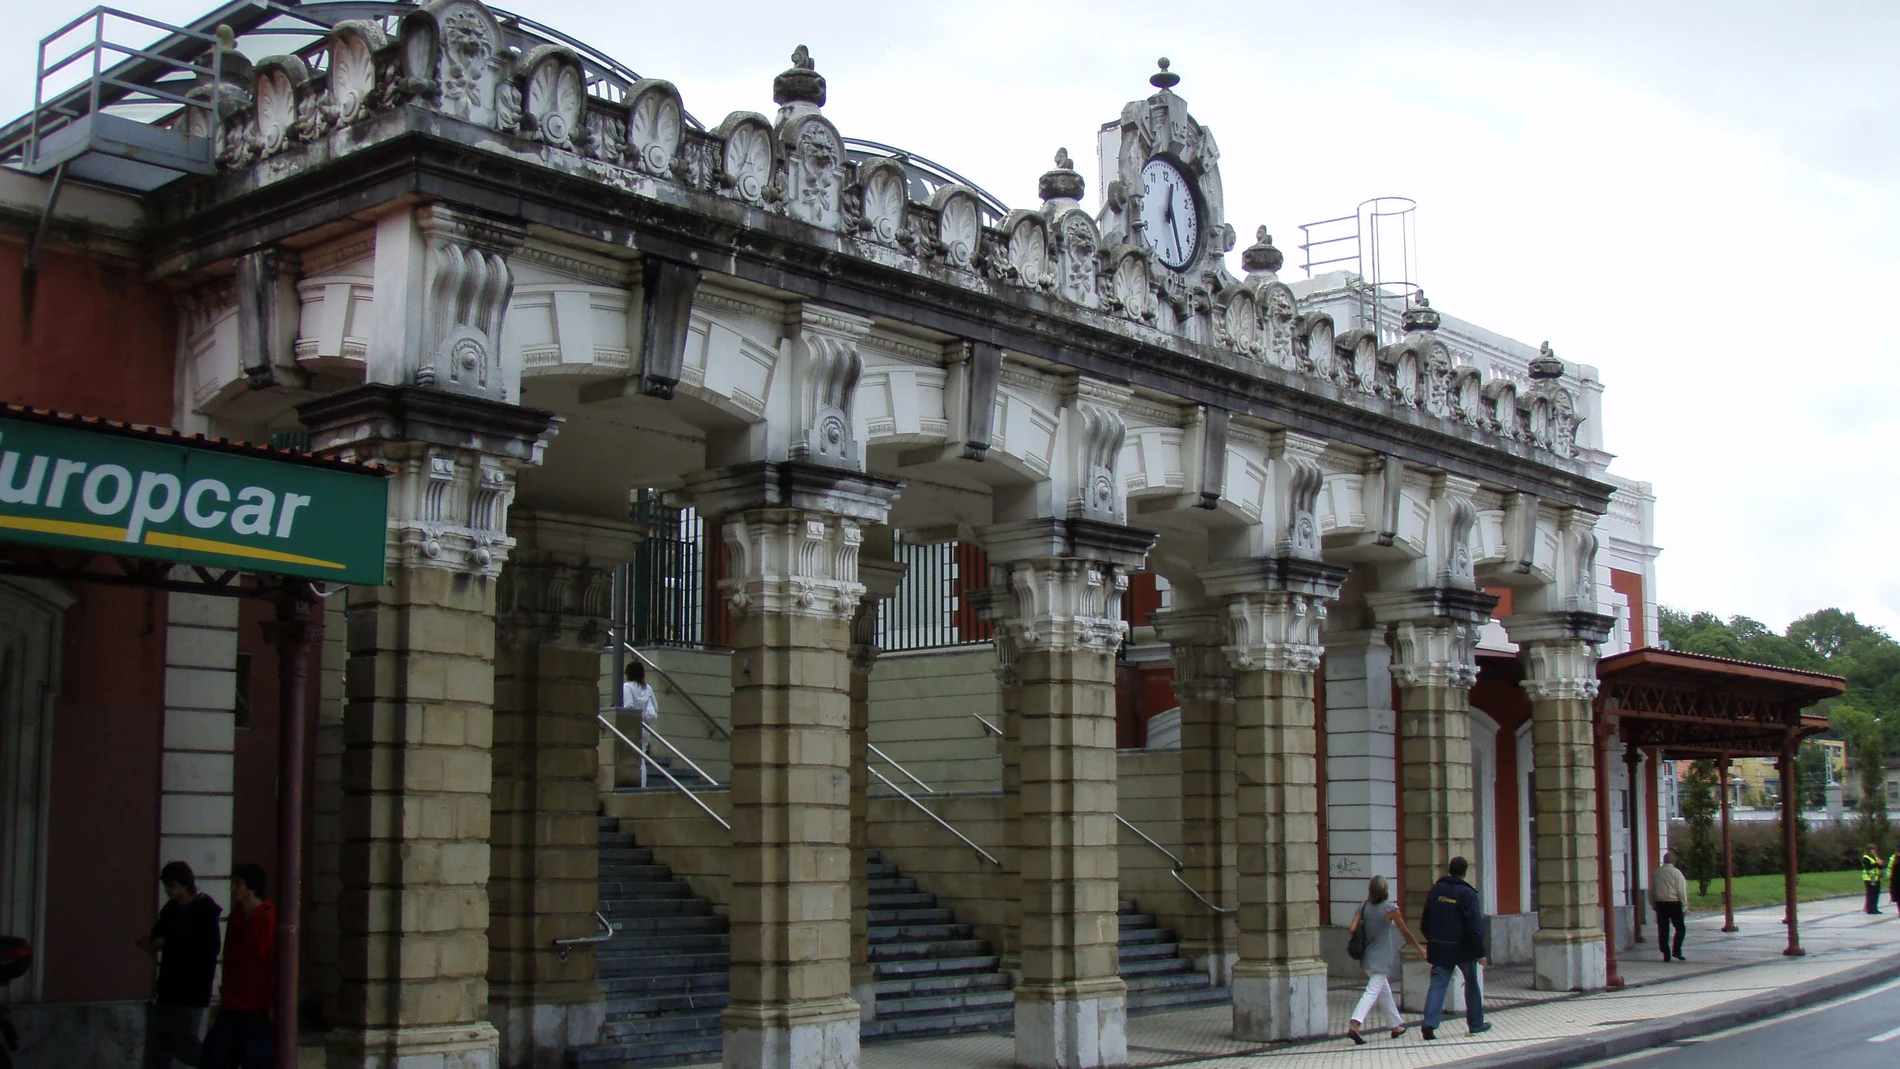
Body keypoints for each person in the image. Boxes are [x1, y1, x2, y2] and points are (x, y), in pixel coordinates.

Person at [137, 860, 221, 1069]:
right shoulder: (171, 910)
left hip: (193, 988)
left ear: (185, 884)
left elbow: (208, 948)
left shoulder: (205, 909)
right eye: (166, 886)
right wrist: (149, 943)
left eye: (172, 885)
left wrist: (169, 941)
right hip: (169, 986)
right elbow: (157, 936)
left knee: (183, 1043)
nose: (169, 890)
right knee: (157, 1045)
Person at [201, 863, 276, 1069]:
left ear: (252, 887)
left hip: (255, 1009)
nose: (233, 888)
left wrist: (271, 1003)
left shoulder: (268, 919)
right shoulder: (235, 918)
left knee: (255, 1060)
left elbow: (273, 963)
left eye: (238, 883)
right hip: (232, 1004)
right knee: (213, 1056)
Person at [1344, 874, 1425, 1045]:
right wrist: (1419, 949)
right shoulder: (1390, 909)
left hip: (1366, 957)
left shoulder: (1364, 906)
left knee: (1383, 991)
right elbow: (1405, 932)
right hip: (1382, 958)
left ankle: (1396, 1026)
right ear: (1385, 890)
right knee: (1372, 991)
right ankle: (1355, 1024)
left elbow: (1352, 928)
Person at [1419, 855, 1490, 1041]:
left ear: (1449, 869)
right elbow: (1474, 926)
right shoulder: (1467, 894)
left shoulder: (1436, 890)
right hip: (1463, 949)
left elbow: (1425, 921)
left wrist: (1432, 939)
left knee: (1437, 985)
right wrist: (1480, 952)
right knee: (1472, 985)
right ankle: (1475, 1024)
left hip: (1440, 947)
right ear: (1465, 872)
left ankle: (1429, 1023)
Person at [622, 661, 660, 788]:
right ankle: (642, 785)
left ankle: (631, 782)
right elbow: (655, 708)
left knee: (629, 756)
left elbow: (628, 706)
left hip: (632, 726)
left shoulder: (627, 687)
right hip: (645, 729)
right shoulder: (647, 688)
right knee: (642, 757)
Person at [1650, 848, 1689, 962]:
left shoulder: (1657, 873)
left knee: (1663, 929)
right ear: (1674, 861)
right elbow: (1681, 890)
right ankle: (1676, 951)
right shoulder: (1677, 873)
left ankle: (1665, 952)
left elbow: (1652, 890)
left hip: (1660, 903)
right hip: (1674, 903)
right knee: (1680, 927)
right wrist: (1684, 905)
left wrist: (1653, 904)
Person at [1863, 845, 1885, 915]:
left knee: (1876, 894)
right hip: (1869, 878)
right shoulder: (1866, 858)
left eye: (1874, 850)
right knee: (1871, 894)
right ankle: (1870, 909)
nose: (1873, 851)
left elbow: (1879, 866)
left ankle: (1875, 908)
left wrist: (1881, 864)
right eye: (1872, 850)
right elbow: (1868, 867)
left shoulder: (1875, 858)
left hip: (1876, 878)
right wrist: (1876, 863)